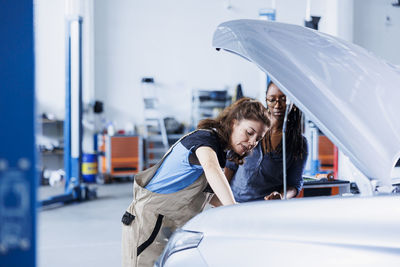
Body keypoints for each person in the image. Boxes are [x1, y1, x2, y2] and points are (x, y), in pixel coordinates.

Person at [121, 97, 269, 267]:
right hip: (148, 224)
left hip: (167, 225)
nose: (252, 143)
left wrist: (249, 215)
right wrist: (233, 209)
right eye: (249, 133)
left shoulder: (218, 150)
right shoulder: (205, 141)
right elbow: (211, 167)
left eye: (258, 138)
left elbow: (212, 198)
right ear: (233, 123)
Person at [213, 81, 307, 204]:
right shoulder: (254, 128)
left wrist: (281, 196)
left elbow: (294, 184)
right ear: (266, 100)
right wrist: (222, 201)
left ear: (292, 102)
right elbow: (230, 166)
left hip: (264, 207)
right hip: (234, 203)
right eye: (272, 99)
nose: (277, 105)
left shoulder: (298, 142)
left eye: (283, 99)